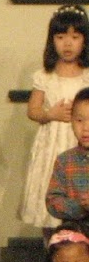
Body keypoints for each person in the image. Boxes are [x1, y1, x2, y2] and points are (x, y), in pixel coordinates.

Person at [20, 6, 88, 232]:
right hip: (52, 145)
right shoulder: (45, 76)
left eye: (75, 37)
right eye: (60, 37)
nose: (67, 44)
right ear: (52, 41)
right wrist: (51, 114)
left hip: (81, 143)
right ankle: (52, 248)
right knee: (53, 191)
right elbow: (33, 110)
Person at [46, 88, 89, 224]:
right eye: (79, 120)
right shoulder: (65, 160)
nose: (85, 128)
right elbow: (53, 202)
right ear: (71, 121)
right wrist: (80, 206)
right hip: (75, 232)